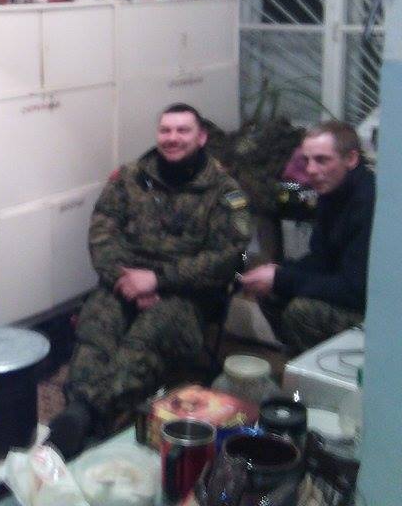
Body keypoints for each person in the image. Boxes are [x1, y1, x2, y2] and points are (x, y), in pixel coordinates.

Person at [47, 103, 251, 458]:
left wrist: (158, 281)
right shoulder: (129, 178)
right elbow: (102, 236)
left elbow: (226, 259)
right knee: (97, 323)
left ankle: (87, 413)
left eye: (183, 130)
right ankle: (78, 406)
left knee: (146, 337)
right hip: (125, 282)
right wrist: (125, 281)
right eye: (165, 130)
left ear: (201, 137)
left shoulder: (224, 191)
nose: (173, 138)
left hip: (188, 296)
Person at [240, 121, 375, 356]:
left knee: (301, 311)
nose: (310, 170)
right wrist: (279, 272)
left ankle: (317, 368)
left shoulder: (368, 203)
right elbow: (321, 260)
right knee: (270, 291)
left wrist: (282, 279)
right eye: (307, 160)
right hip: (347, 291)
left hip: (371, 310)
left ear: (351, 159)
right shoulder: (331, 193)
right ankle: (298, 360)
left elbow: (353, 289)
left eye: (322, 160)